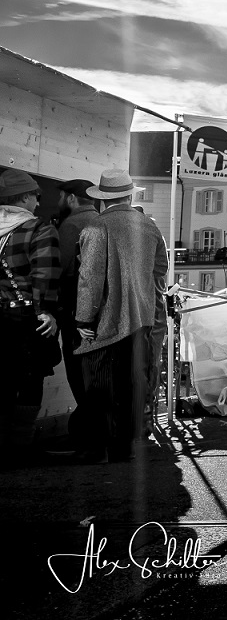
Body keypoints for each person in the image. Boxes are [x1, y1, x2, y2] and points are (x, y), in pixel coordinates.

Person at [73, 169, 167, 464]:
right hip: (142, 319)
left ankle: (96, 449)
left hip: (106, 322)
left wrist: (83, 320)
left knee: (99, 387)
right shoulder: (149, 226)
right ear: (129, 195)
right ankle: (124, 448)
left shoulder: (95, 227)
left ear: (103, 199)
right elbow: (160, 271)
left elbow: (89, 278)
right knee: (130, 386)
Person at [0, 169, 61, 465]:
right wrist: (45, 311)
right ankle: (19, 449)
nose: (38, 201)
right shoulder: (38, 229)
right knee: (28, 381)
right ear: (23, 197)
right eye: (35, 195)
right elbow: (45, 275)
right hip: (27, 320)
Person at [53, 178, 99, 448]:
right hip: (102, 310)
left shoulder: (71, 225)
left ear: (70, 198)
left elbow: (58, 267)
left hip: (76, 307)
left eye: (60, 196)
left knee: (78, 369)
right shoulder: (103, 221)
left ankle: (86, 435)